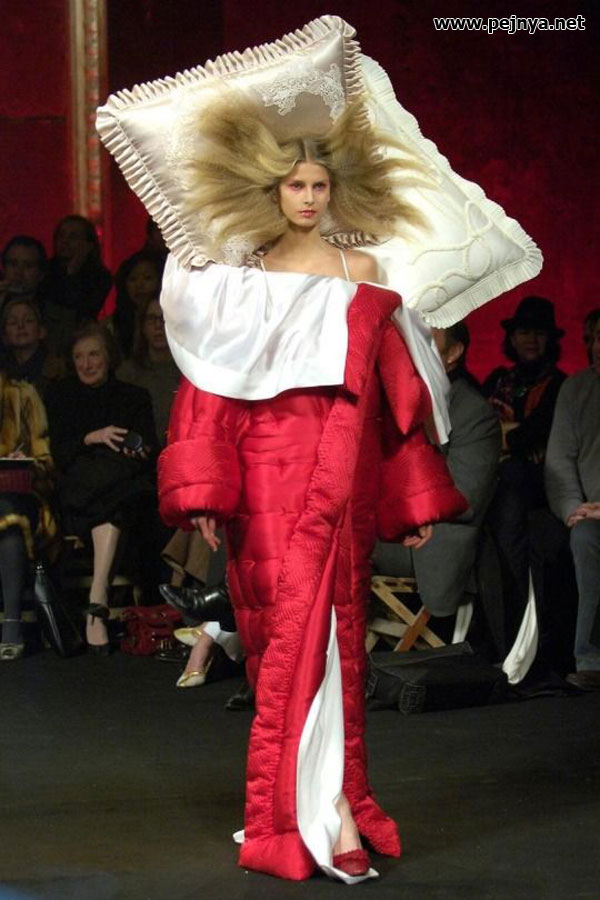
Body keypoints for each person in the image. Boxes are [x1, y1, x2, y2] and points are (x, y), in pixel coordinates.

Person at [157, 92, 466, 883]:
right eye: (294, 186)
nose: (307, 197)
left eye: (318, 186)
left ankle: (330, 805)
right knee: (281, 637)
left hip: (344, 471)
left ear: (335, 191)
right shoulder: (240, 277)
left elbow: (394, 395)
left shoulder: (362, 271)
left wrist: (411, 497)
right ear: (270, 190)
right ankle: (304, 809)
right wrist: (205, 494)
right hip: (265, 468)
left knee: (335, 636)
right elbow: (212, 386)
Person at [373, 321, 501, 640]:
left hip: (428, 541)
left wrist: (404, 507)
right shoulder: (386, 399)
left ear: (453, 353)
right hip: (378, 529)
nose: (412, 345)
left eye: (425, 338)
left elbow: (465, 496)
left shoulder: (472, 412)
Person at [45, 321, 158, 652]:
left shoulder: (134, 397)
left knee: (123, 496)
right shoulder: (60, 395)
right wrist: (91, 437)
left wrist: (136, 449)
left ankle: (98, 599)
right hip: (77, 489)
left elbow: (148, 449)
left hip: (120, 487)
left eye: (94, 354)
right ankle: (99, 599)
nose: (86, 363)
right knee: (120, 494)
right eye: (79, 356)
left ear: (108, 357)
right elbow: (56, 452)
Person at [482, 296, 566, 643]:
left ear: (550, 340)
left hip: (537, 485)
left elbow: (530, 435)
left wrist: (504, 436)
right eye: (524, 332)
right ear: (512, 338)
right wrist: (507, 436)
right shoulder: (498, 380)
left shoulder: (559, 384)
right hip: (495, 479)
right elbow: (478, 432)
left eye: (539, 333)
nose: (531, 339)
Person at [545, 309, 600, 689]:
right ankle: (592, 660)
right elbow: (559, 461)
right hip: (592, 515)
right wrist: (572, 510)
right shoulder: (577, 389)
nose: (597, 347)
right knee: (585, 537)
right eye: (593, 339)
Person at [0, 363, 58, 660]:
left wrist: (26, 462)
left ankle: (12, 623)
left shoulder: (22, 395)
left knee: (9, 517)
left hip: (20, 497)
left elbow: (45, 461)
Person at [40, 215, 112, 355]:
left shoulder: (100, 277)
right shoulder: (44, 272)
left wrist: (73, 270)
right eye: (61, 236)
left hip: (81, 341)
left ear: (88, 245)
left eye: (73, 237)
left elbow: (83, 310)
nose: (65, 241)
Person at [116, 296, 179, 446]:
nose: (158, 325)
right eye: (151, 319)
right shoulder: (127, 373)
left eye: (164, 318)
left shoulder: (189, 372)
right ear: (143, 326)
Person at [1, 297, 65, 398]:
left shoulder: (56, 371)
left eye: (28, 320)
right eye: (13, 322)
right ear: (5, 336)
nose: (20, 326)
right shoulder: (3, 372)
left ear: (41, 331)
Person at [112, 251, 164, 357]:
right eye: (133, 279)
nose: (139, 285)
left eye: (147, 278)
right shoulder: (112, 325)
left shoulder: (174, 318)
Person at [0, 235, 47, 313]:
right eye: (13, 264)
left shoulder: (57, 314)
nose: (19, 273)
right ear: (4, 269)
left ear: (41, 274)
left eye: (28, 266)